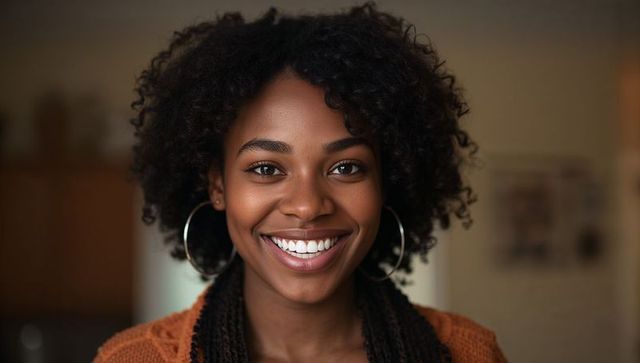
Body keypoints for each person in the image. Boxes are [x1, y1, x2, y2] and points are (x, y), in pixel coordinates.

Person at [94, 2, 506, 362]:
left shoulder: (470, 354)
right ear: (218, 186)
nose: (308, 206)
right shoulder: (132, 360)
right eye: (267, 169)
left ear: (387, 180)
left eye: (346, 167)